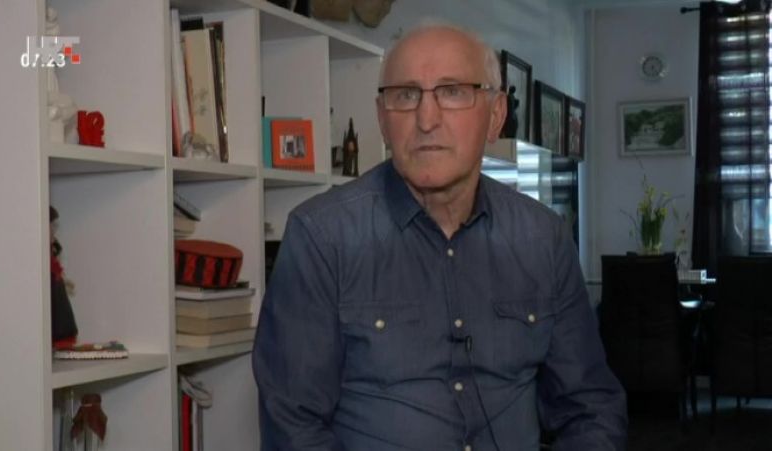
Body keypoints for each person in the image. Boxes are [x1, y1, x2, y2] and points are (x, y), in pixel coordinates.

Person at [253, 22, 627, 451]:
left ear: (496, 116)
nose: (426, 120)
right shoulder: (322, 238)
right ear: (382, 119)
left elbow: (591, 407)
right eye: (405, 95)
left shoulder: (544, 239)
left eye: (452, 92)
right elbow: (293, 427)